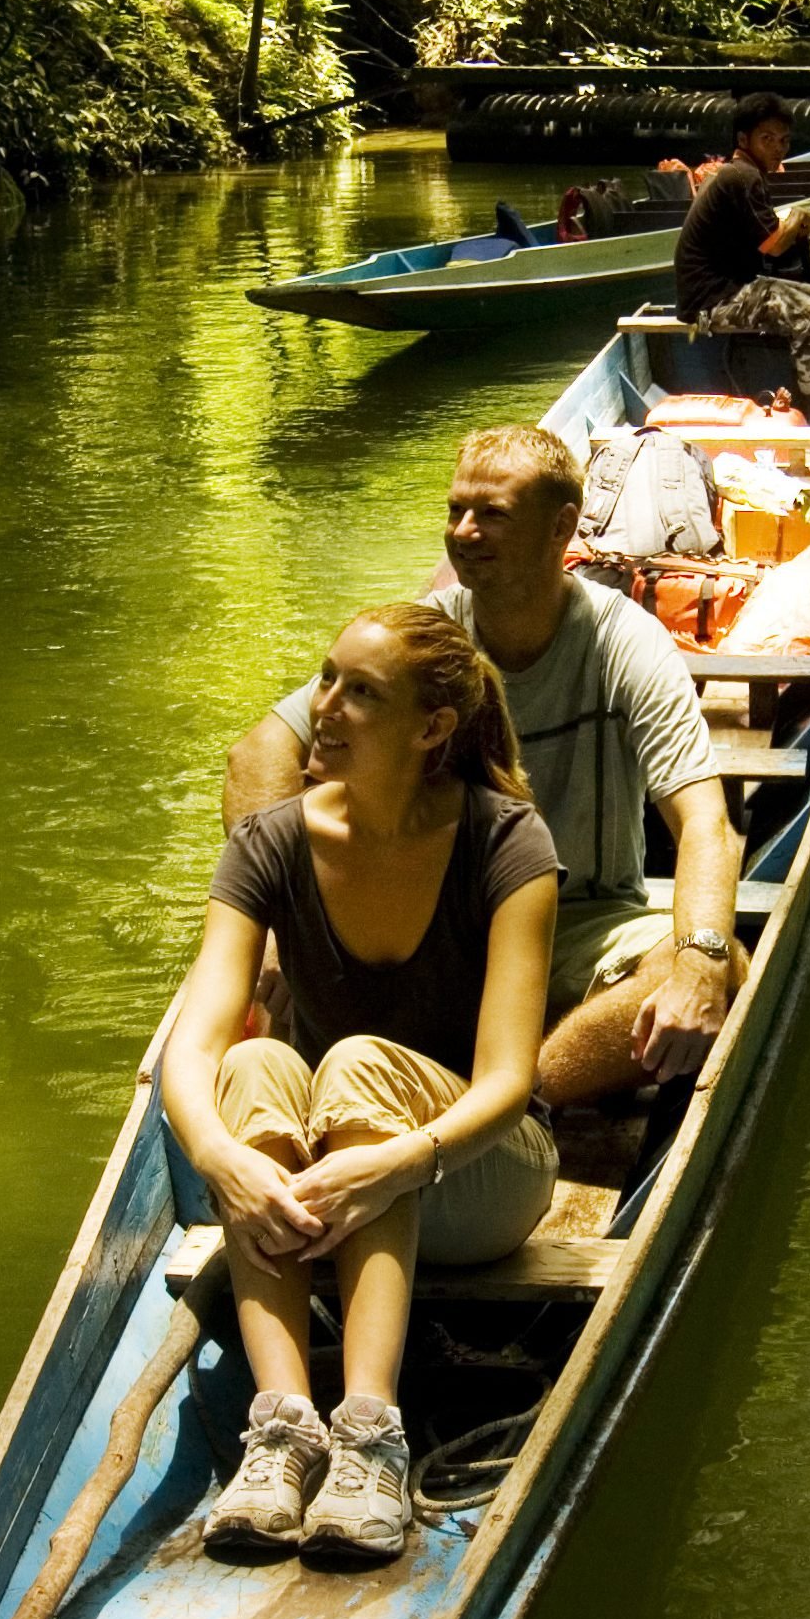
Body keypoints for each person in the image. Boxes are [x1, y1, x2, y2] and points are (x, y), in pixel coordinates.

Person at [165, 603, 562, 1562]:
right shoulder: (269, 841)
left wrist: (393, 1164)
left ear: (432, 728)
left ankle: (372, 1431)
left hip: (480, 1175)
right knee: (254, 1062)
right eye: (327, 678)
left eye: (362, 693)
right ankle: (284, 1427)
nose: (325, 706)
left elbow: (508, 1081)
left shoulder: (508, 843)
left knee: (354, 1061)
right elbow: (195, 1042)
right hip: (332, 1187)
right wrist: (219, 1158)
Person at [226, 425, 746, 1111]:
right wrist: (279, 923)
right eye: (455, 510)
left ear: (561, 527)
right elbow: (259, 753)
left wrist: (701, 960)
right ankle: (473, 1105)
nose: (463, 532)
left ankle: (506, 1101)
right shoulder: (427, 642)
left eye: (492, 514)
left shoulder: (624, 641)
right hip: (435, 926)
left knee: (720, 966)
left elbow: (705, 822)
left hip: (582, 923)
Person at [672, 91, 810, 423]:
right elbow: (775, 245)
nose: (777, 148)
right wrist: (798, 219)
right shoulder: (743, 177)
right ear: (744, 140)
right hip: (713, 300)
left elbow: (767, 237)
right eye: (767, 139)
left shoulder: (741, 174)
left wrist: (791, 226)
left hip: (732, 286)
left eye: (784, 140)